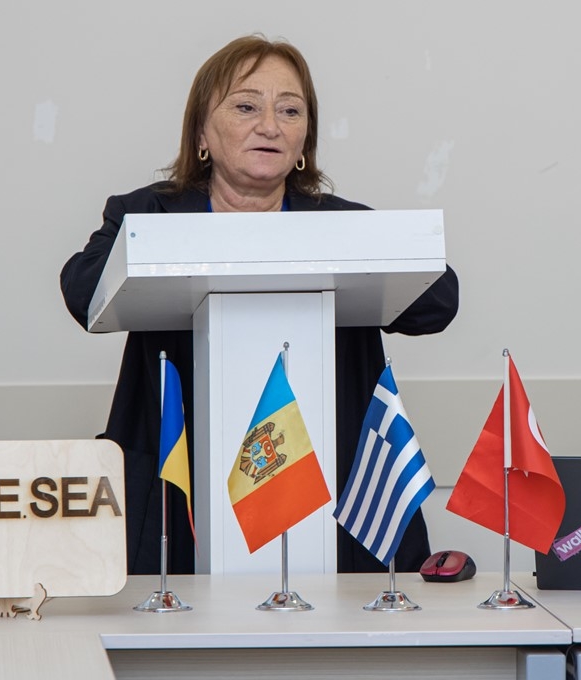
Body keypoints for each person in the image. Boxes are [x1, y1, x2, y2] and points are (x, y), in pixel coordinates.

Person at [60, 35, 459, 574]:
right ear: (201, 133)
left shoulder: (344, 225)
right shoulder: (148, 215)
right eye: (246, 107)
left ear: (304, 140)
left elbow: (439, 302)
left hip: (332, 483)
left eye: (290, 111)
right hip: (179, 483)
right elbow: (82, 291)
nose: (270, 126)